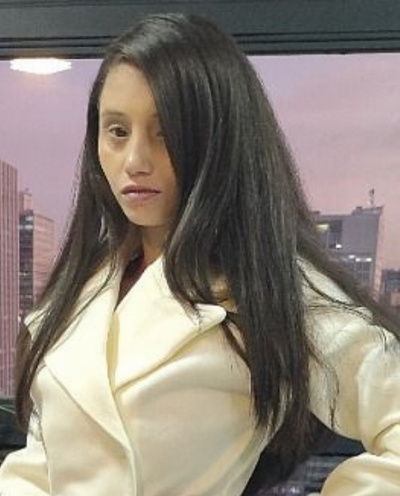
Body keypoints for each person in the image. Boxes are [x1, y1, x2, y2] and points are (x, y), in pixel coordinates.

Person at [0, 12, 399, 496]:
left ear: (217, 142)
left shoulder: (266, 287)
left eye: (166, 133)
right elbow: (42, 461)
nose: (135, 161)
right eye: (117, 131)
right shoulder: (86, 282)